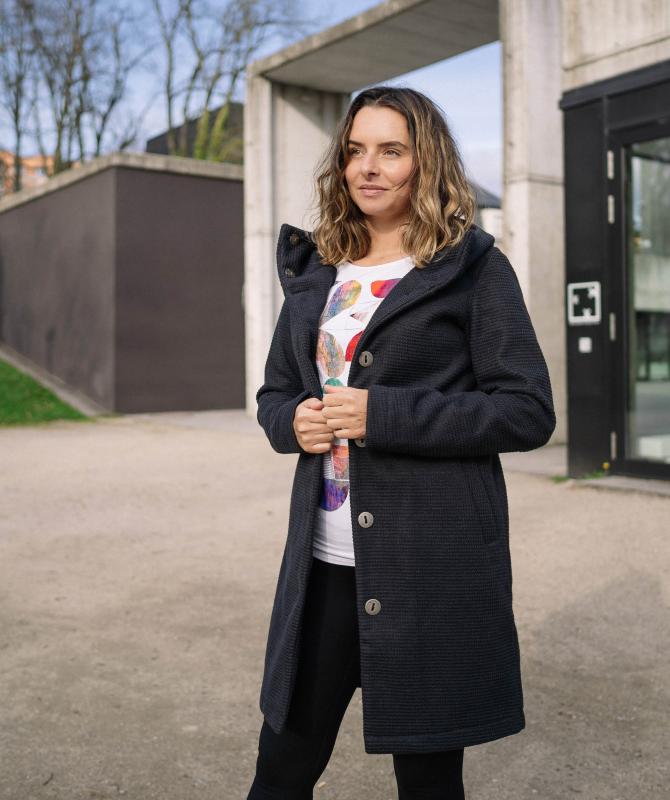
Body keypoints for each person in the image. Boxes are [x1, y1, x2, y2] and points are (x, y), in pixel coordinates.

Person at [247, 85, 556, 799]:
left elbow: (527, 410)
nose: (368, 167)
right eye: (355, 150)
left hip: (430, 565)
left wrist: (385, 414)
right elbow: (274, 395)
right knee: (281, 768)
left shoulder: (472, 268)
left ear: (427, 162)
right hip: (323, 564)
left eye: (391, 151)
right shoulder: (317, 273)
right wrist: (291, 423)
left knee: (427, 780)